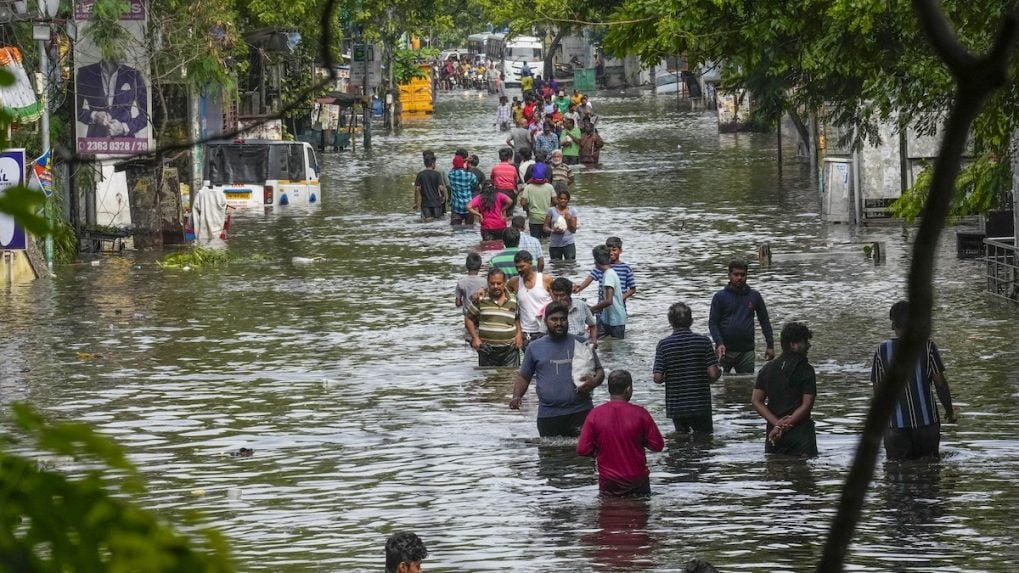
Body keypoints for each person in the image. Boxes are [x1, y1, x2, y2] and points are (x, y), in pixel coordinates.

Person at [871, 300, 958, 460]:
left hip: (895, 427)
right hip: (926, 424)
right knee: (929, 472)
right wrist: (949, 411)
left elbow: (878, 392)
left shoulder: (881, 351)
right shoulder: (927, 347)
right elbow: (940, 384)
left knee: (898, 475)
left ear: (893, 325)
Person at [509, 301, 605, 437]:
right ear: (545, 321)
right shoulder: (534, 347)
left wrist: (594, 382)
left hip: (581, 412)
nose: (559, 323)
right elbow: (524, 377)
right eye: (554, 319)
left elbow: (600, 371)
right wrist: (517, 397)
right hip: (548, 415)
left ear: (567, 320)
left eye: (563, 319)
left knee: (583, 455)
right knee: (550, 455)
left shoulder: (582, 343)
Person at [577, 370, 665, 496]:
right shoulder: (640, 414)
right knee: (639, 513)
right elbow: (657, 445)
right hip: (637, 482)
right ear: (628, 389)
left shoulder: (594, 415)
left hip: (609, 483)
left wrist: (598, 448)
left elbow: (582, 450)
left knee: (609, 514)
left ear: (609, 389)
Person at [653, 303, 722, 434]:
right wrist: (719, 367)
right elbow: (713, 374)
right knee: (704, 443)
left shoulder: (664, 345)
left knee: (680, 444)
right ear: (691, 321)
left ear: (670, 322)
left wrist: (674, 372)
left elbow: (657, 378)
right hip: (701, 405)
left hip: (676, 407)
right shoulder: (704, 341)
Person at [751, 322, 818, 457]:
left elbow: (756, 401)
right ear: (793, 344)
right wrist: (789, 422)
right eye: (805, 342)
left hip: (774, 434)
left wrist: (777, 424)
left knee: (774, 472)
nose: (808, 346)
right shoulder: (806, 369)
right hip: (800, 435)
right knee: (803, 474)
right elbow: (807, 404)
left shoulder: (767, 369)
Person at [708, 260, 775, 374]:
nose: (739, 278)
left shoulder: (754, 296)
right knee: (721, 381)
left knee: (747, 385)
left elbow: (764, 321)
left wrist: (770, 345)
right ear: (729, 276)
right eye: (736, 274)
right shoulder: (719, 297)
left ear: (746, 276)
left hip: (746, 351)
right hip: (724, 351)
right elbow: (713, 323)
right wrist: (719, 343)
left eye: (743, 275)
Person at [76, 58, 149, 140]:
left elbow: (147, 114)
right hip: (95, 141)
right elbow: (75, 110)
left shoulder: (134, 75)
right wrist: (94, 116)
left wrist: (124, 127)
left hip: (126, 143)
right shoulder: (85, 73)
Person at [465, 268, 523, 367]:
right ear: (487, 283)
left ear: (504, 283)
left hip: (510, 350)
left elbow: (517, 319)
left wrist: (519, 335)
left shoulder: (513, 299)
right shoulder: (481, 299)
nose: (495, 286)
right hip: (487, 350)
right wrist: (475, 338)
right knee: (489, 379)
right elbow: (468, 318)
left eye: (499, 283)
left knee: (510, 379)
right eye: (492, 283)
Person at [507, 250, 553, 346]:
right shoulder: (514, 282)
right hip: (526, 333)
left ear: (531, 263)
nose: (519, 270)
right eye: (517, 267)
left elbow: (557, 302)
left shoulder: (546, 280)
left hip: (546, 331)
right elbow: (499, 292)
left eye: (522, 266)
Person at [573, 237, 636, 304]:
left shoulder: (625, 268)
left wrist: (621, 298)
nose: (611, 253)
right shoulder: (600, 267)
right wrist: (579, 288)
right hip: (602, 306)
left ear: (620, 251)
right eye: (609, 251)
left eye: (614, 250)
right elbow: (589, 279)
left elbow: (633, 289)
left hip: (619, 305)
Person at [589, 244, 626, 339]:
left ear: (595, 261)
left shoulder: (609, 275)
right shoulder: (609, 273)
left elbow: (609, 301)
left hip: (615, 321)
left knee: (617, 348)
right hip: (611, 319)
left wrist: (592, 309)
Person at [518, 162, 556, 239]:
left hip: (534, 219)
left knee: (535, 240)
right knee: (547, 241)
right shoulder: (550, 187)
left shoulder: (528, 187)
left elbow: (523, 202)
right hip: (547, 219)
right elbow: (555, 202)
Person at [543, 189, 578, 260]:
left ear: (568, 200)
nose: (563, 200)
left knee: (570, 265)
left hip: (568, 243)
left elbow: (573, 230)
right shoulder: (551, 211)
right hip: (555, 244)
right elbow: (545, 227)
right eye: (561, 198)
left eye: (565, 199)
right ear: (557, 199)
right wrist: (553, 230)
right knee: (555, 266)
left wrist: (569, 220)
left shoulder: (572, 211)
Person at [413, 151, 446, 222]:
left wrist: (416, 203)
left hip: (425, 204)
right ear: (433, 163)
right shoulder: (437, 174)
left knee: (427, 222)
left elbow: (417, 189)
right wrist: (443, 197)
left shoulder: (420, 174)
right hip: (436, 203)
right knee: (437, 221)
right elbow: (441, 188)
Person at [447, 155, 478, 225]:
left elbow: (453, 168)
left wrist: (463, 161)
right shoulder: (470, 175)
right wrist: (469, 168)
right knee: (470, 229)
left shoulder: (451, 175)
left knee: (455, 231)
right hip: (469, 207)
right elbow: (475, 183)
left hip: (456, 207)